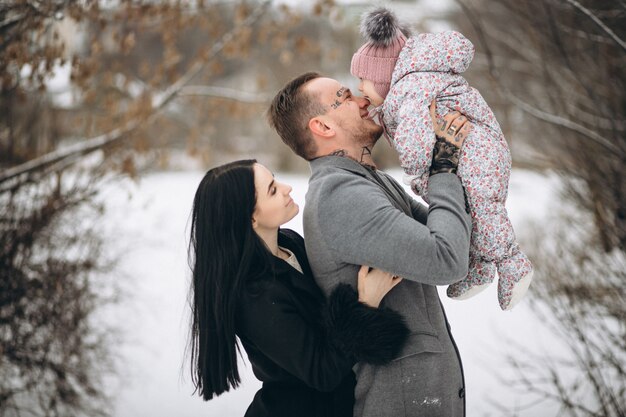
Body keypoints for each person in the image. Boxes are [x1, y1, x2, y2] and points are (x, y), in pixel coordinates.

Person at [267, 72, 471, 417]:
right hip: (403, 403)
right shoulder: (340, 196)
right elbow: (447, 259)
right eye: (345, 96)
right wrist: (444, 167)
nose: (364, 100)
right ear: (323, 127)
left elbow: (455, 235)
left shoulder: (368, 181)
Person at [187, 159, 410, 417]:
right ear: (250, 219)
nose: (287, 188)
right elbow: (322, 372)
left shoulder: (289, 243)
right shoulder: (255, 297)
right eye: (272, 189)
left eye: (275, 178)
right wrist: (365, 305)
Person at [350, 7, 533, 310]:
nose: (359, 87)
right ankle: (480, 268)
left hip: (477, 151)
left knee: (484, 209)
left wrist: (416, 169)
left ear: (384, 77)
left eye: (364, 79)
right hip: (467, 152)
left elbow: (414, 136)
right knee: (468, 212)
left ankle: (512, 263)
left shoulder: (410, 90)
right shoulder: (403, 93)